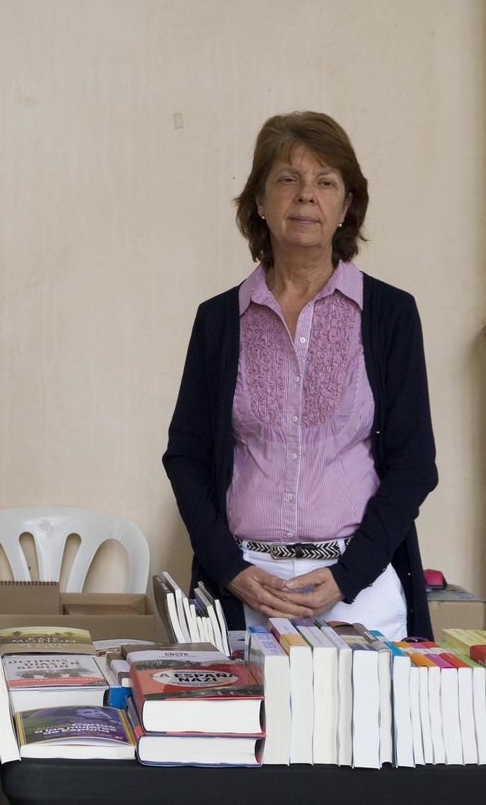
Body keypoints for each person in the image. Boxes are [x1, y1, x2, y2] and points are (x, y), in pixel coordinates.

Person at [162, 112, 438, 641]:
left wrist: (345, 577)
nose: (306, 195)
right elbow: (187, 456)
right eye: (288, 178)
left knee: (362, 727)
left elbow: (414, 464)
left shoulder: (390, 315)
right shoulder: (219, 321)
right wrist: (230, 570)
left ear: (346, 207)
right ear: (260, 203)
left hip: (358, 590)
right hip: (245, 589)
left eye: (326, 182)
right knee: (253, 725)